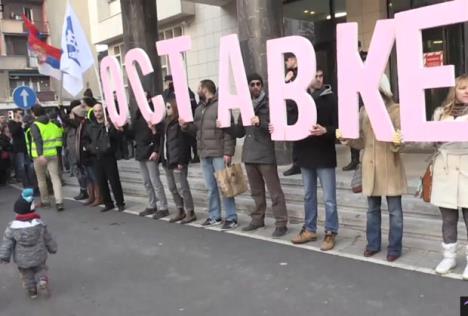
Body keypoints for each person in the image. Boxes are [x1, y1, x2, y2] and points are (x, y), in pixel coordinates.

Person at [340, 74, 406, 262]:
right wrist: (348, 140)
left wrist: (396, 142)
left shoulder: (396, 110)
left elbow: (403, 141)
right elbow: (361, 141)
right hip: (369, 165)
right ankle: (373, 244)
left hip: (390, 164)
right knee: (372, 209)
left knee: (395, 210)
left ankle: (394, 247)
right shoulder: (364, 110)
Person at [225, 73, 289, 237]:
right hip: (250, 154)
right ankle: (258, 218)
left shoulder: (270, 104)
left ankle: (281, 222)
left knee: (274, 191)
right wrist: (226, 125)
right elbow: (239, 132)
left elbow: (273, 128)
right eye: (252, 84)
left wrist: (260, 122)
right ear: (248, 87)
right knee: (256, 191)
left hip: (265, 153)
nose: (255, 87)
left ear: (262, 86)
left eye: (258, 84)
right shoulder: (245, 106)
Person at [285, 69, 339, 251]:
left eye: (321, 76)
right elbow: (290, 118)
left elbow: (339, 126)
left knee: (329, 198)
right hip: (306, 154)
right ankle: (310, 229)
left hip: (324, 154)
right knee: (309, 195)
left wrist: (326, 131)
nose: (318, 79)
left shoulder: (331, 98)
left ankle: (330, 231)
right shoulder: (299, 99)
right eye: (314, 75)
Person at [180, 79, 238, 229]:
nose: (197, 89)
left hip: (219, 152)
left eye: (199, 87)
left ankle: (231, 217)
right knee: (211, 187)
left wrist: (228, 152)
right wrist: (186, 127)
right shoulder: (199, 109)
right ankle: (214, 216)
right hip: (204, 153)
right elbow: (197, 131)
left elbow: (228, 132)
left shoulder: (221, 106)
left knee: (225, 186)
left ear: (205, 89)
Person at [430, 74, 468, 279]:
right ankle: (449, 257)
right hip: (445, 168)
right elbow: (431, 141)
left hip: (467, 167)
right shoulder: (440, 113)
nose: (466, 91)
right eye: (462, 87)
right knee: (448, 219)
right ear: (455, 90)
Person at [0, 188, 58, 299]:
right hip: (39, 255)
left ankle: (32, 291)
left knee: (27, 275)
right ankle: (42, 281)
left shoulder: (12, 227)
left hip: (22, 260)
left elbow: (7, 242)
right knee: (41, 269)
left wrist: (3, 256)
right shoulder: (39, 224)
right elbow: (47, 238)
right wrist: (53, 248)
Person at [125, 93, 169, 219]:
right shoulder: (138, 115)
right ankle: (152, 204)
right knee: (146, 181)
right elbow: (132, 134)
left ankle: (163, 206)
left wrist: (156, 150)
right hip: (141, 151)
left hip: (150, 151)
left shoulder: (154, 114)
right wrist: (124, 128)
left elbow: (159, 135)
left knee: (155, 180)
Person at [83, 103, 125, 212]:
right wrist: (90, 148)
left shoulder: (109, 124)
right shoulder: (91, 126)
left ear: (103, 111)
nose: (98, 113)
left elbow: (118, 137)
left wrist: (110, 128)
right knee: (101, 181)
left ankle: (120, 202)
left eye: (99, 111)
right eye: (96, 111)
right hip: (96, 156)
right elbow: (86, 140)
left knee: (114, 180)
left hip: (109, 156)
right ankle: (108, 203)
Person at [162, 98, 196, 224]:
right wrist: (162, 157)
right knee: (172, 187)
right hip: (167, 159)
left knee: (182, 187)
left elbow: (184, 143)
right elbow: (164, 141)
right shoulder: (166, 123)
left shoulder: (180, 123)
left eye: (169, 107)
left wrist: (182, 160)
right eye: (166, 107)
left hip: (178, 160)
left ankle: (190, 211)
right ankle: (180, 209)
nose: (167, 109)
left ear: (175, 108)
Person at [29, 105, 64, 211]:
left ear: (33, 113)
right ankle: (59, 202)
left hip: (40, 156)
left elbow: (38, 140)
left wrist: (40, 155)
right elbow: (59, 135)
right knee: (55, 178)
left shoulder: (35, 125)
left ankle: (45, 201)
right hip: (52, 154)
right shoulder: (51, 123)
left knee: (41, 179)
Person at [342, 41, 368, 172]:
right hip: (352, 100)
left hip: (365, 101)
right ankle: (354, 159)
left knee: (367, 130)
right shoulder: (346, 62)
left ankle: (368, 158)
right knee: (353, 130)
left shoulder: (366, 59)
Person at [163, 74, 200, 163]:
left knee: (189, 139)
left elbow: (192, 104)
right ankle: (192, 156)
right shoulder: (169, 92)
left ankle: (194, 155)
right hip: (175, 120)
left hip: (186, 118)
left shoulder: (184, 90)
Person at [283, 53, 301, 177]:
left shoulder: (299, 73)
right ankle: (297, 164)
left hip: (299, 110)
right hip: (293, 111)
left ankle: (298, 164)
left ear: (293, 59)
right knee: (296, 140)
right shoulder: (290, 73)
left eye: (287, 60)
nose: (286, 63)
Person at [8, 110, 27, 184]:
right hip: (18, 147)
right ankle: (20, 178)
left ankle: (25, 177)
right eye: (19, 113)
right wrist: (19, 123)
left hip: (25, 146)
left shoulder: (22, 122)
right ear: (15, 113)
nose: (21, 114)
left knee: (26, 164)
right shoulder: (11, 122)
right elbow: (13, 131)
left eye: (22, 113)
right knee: (20, 164)